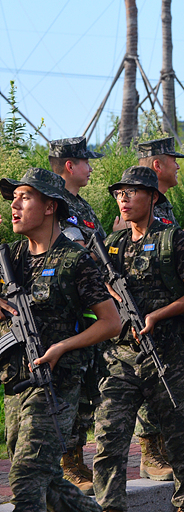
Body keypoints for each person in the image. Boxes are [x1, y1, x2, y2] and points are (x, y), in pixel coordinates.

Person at [0, 167, 120, 512]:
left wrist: (63, 346)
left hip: (55, 384)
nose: (14, 205)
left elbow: (110, 322)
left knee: (25, 478)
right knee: (47, 479)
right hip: (16, 382)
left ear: (50, 206)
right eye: (13, 198)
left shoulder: (75, 260)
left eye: (25, 197)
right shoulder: (11, 257)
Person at [92, 166, 184, 512]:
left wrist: (156, 315)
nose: (124, 199)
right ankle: (111, 506)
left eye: (132, 192)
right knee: (109, 438)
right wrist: (116, 300)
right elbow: (98, 285)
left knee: (179, 439)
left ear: (153, 197)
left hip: (167, 355)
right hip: (121, 358)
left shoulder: (172, 239)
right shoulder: (111, 245)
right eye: (119, 193)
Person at [130, 136, 184, 480]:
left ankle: (166, 447)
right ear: (157, 165)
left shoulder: (163, 205)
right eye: (173, 159)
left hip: (173, 312)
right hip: (148, 315)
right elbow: (137, 250)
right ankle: (149, 450)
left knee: (173, 390)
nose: (178, 165)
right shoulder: (136, 202)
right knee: (148, 381)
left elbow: (169, 258)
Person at [48, 136, 108, 493]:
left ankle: (76, 457)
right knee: (66, 387)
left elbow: (96, 248)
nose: (90, 168)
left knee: (86, 385)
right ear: (70, 165)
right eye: (86, 162)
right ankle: (67, 461)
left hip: (91, 305)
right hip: (65, 306)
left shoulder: (82, 206)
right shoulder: (55, 204)